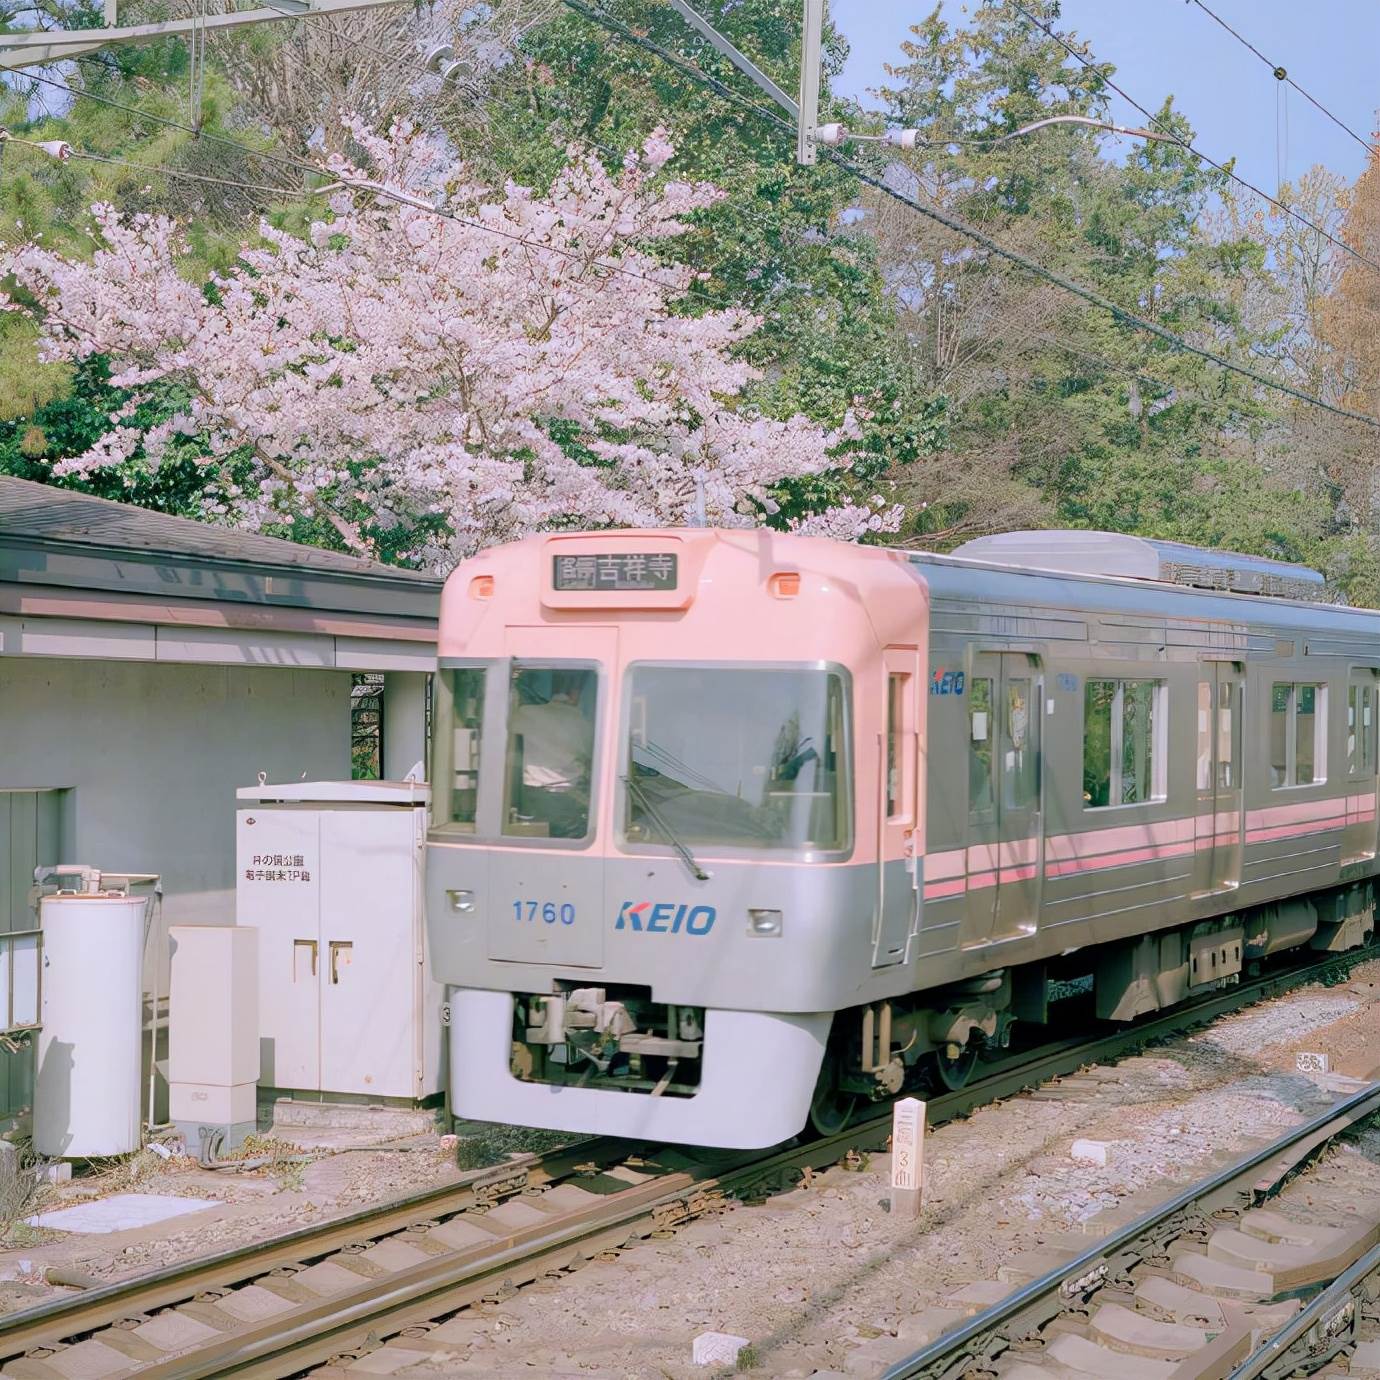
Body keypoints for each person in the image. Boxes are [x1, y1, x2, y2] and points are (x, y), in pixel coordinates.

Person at [508, 672, 593, 837]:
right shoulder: (584, 724)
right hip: (568, 800)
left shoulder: (526, 713)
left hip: (531, 800)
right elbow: (592, 759)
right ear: (576, 693)